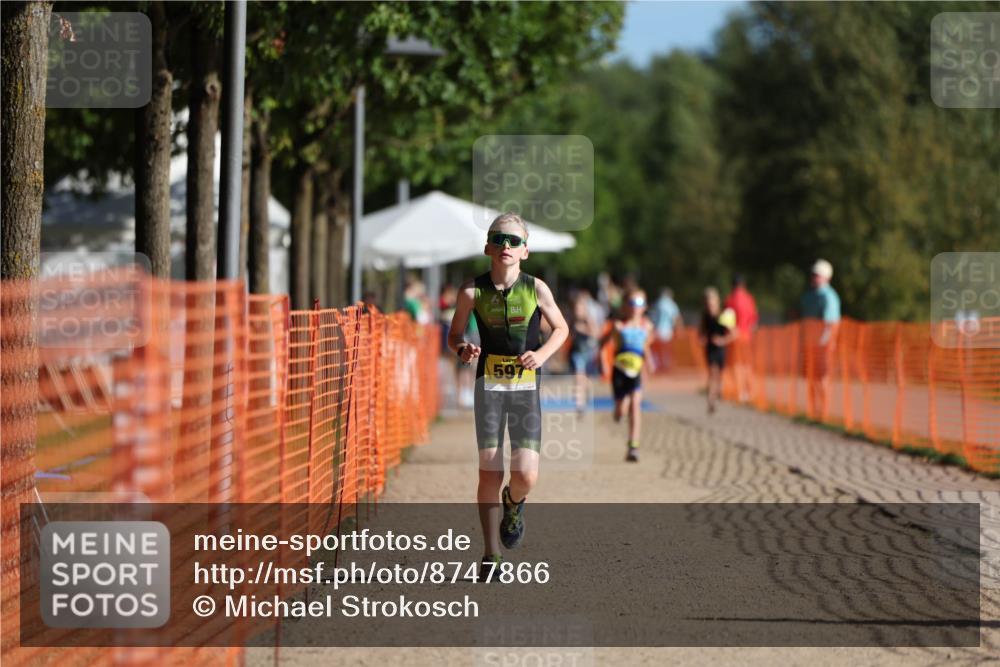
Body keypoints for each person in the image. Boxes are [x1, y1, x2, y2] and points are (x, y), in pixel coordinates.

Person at [447, 212, 569, 582]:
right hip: (489, 387)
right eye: (499, 239)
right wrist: (463, 349)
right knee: (490, 469)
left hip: (525, 388)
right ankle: (490, 554)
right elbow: (453, 335)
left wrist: (542, 354)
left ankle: (513, 504)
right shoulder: (471, 291)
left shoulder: (537, 289)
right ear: (487, 246)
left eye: (514, 241)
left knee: (526, 475)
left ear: (525, 251)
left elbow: (561, 328)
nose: (506, 246)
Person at [599, 289, 655, 462]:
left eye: (638, 304)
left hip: (636, 371)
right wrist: (603, 362)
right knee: (622, 409)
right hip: (619, 372)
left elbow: (645, 345)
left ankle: (633, 447)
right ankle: (618, 411)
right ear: (625, 306)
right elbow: (602, 343)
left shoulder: (647, 326)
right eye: (631, 303)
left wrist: (649, 361)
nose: (635, 307)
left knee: (635, 406)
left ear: (644, 307)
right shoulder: (619, 325)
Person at [798, 259, 841, 420]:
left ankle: (824, 410)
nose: (814, 278)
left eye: (818, 275)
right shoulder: (809, 296)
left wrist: (823, 344)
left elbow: (830, 325)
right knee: (811, 377)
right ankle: (814, 408)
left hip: (823, 346)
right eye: (813, 275)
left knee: (822, 378)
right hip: (810, 345)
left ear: (826, 277)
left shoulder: (829, 297)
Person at [699, 287, 736, 415]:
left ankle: (718, 393)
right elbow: (701, 332)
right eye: (707, 303)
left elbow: (733, 333)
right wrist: (702, 338)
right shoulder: (705, 316)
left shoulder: (723, 315)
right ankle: (710, 401)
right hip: (710, 349)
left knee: (719, 375)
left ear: (717, 302)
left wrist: (722, 340)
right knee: (712, 373)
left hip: (720, 348)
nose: (710, 306)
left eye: (712, 303)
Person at [724, 275, 759, 402]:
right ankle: (749, 391)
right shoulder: (749, 298)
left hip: (735, 337)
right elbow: (754, 321)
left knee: (736, 365)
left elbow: (728, 321)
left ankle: (740, 392)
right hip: (747, 337)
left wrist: (731, 332)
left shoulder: (730, 299)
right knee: (747, 365)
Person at [569, 289, 600, 412]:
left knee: (584, 378)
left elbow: (596, 334)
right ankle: (579, 403)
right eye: (576, 308)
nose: (578, 311)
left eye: (580, 308)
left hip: (588, 352)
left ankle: (585, 392)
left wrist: (583, 330)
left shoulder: (588, 319)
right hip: (577, 352)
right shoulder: (572, 319)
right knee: (578, 376)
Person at [650, 287, 682, 373]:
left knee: (655, 349)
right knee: (666, 350)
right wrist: (679, 329)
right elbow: (676, 318)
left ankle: (656, 366)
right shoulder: (671, 304)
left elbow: (651, 317)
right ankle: (665, 366)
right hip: (667, 330)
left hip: (656, 330)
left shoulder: (657, 303)